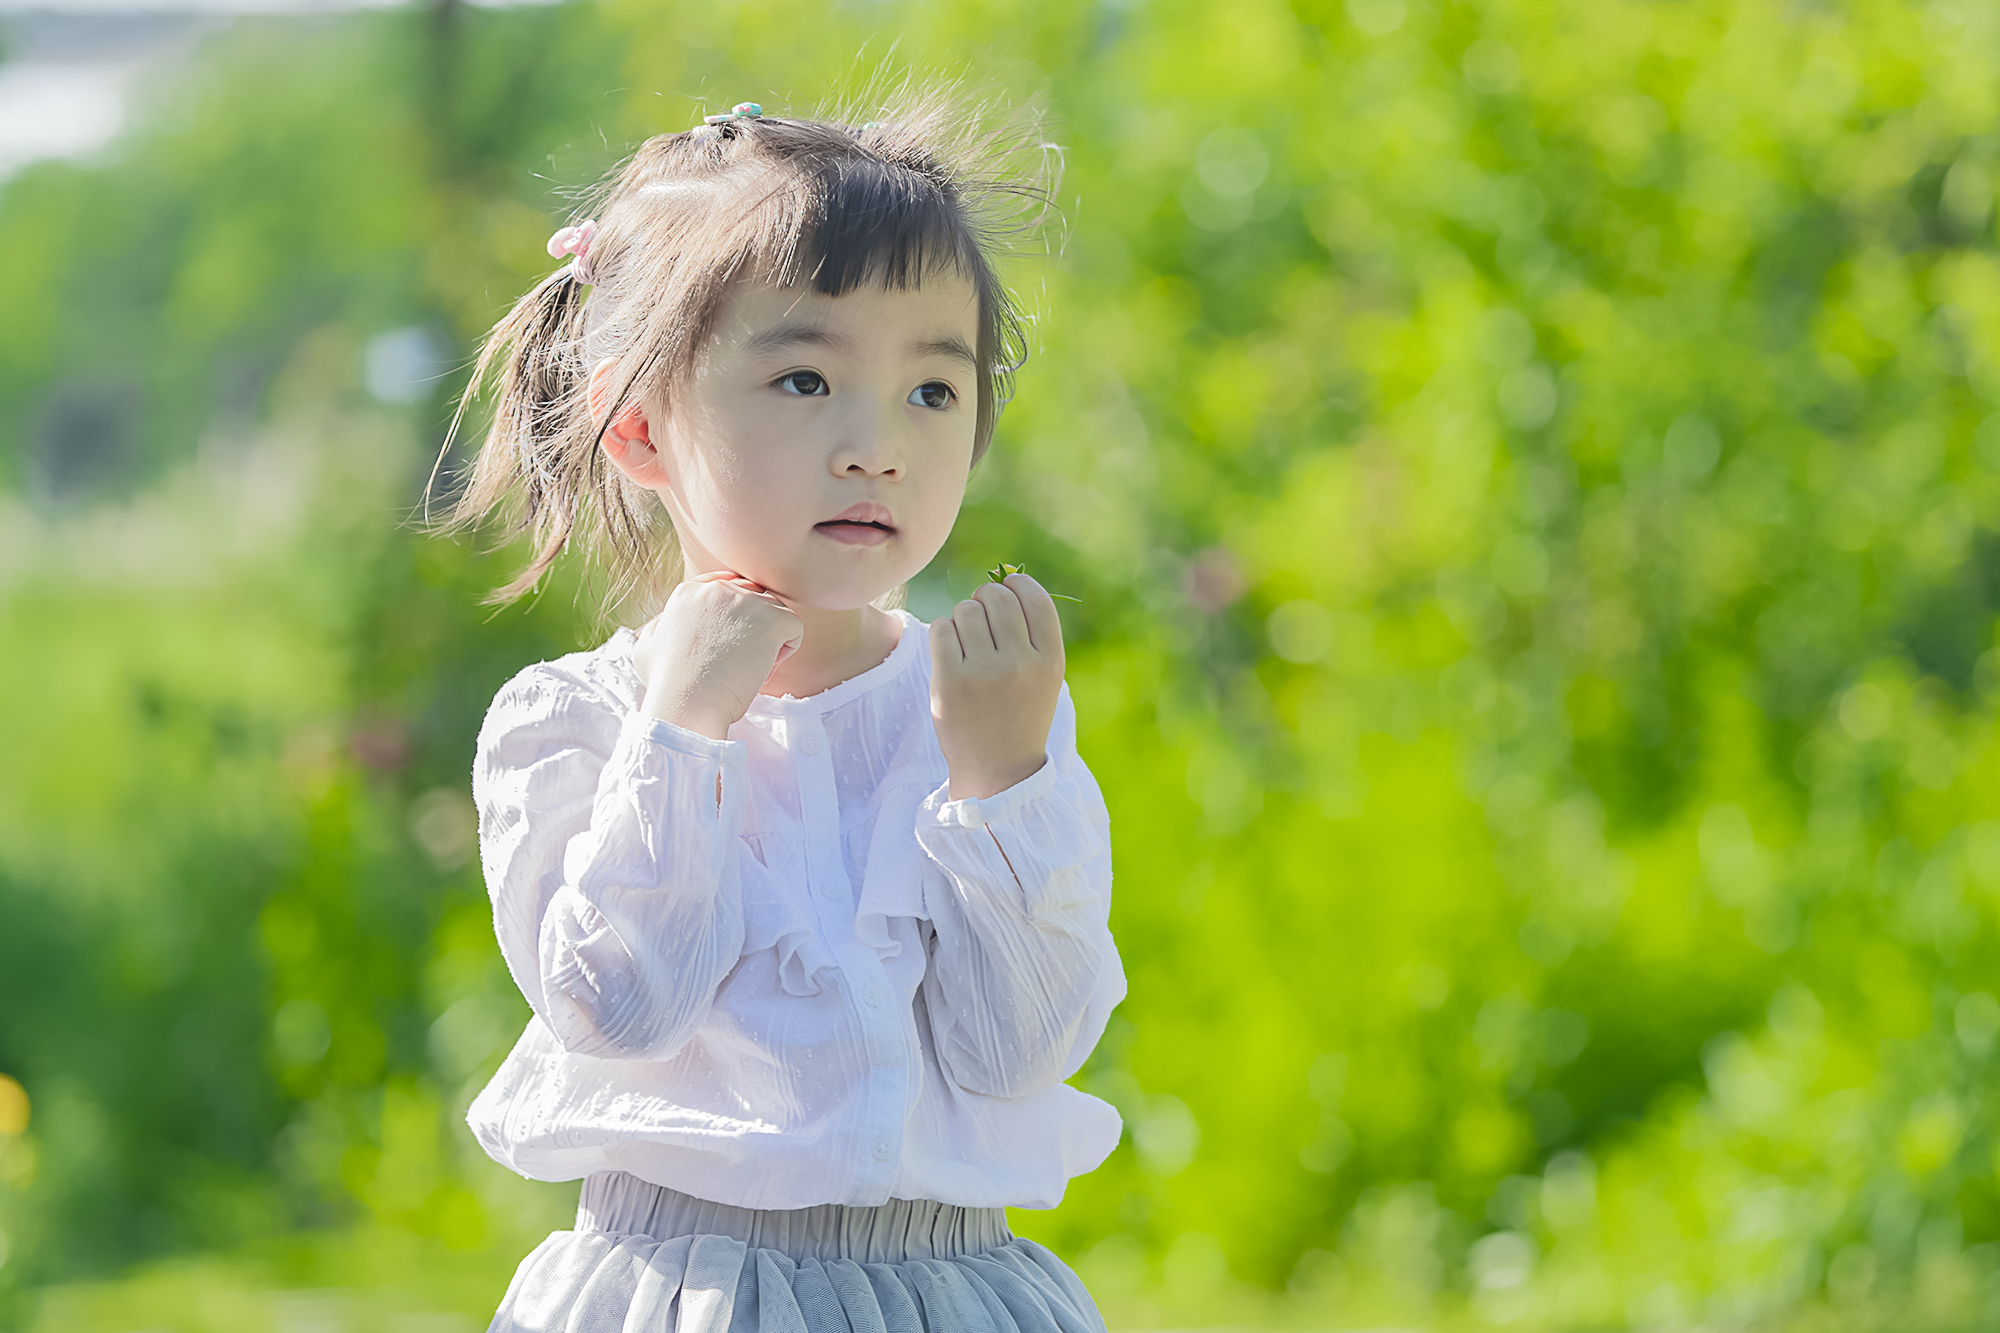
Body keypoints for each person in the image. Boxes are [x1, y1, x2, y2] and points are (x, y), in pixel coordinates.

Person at [441, 89, 1127, 1333]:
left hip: (950, 1290)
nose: (877, 446)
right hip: (684, 1290)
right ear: (640, 425)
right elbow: (620, 1007)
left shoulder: (977, 709)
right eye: (805, 377)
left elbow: (1020, 1050)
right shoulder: (575, 723)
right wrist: (682, 732)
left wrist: (1000, 785)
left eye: (932, 390)